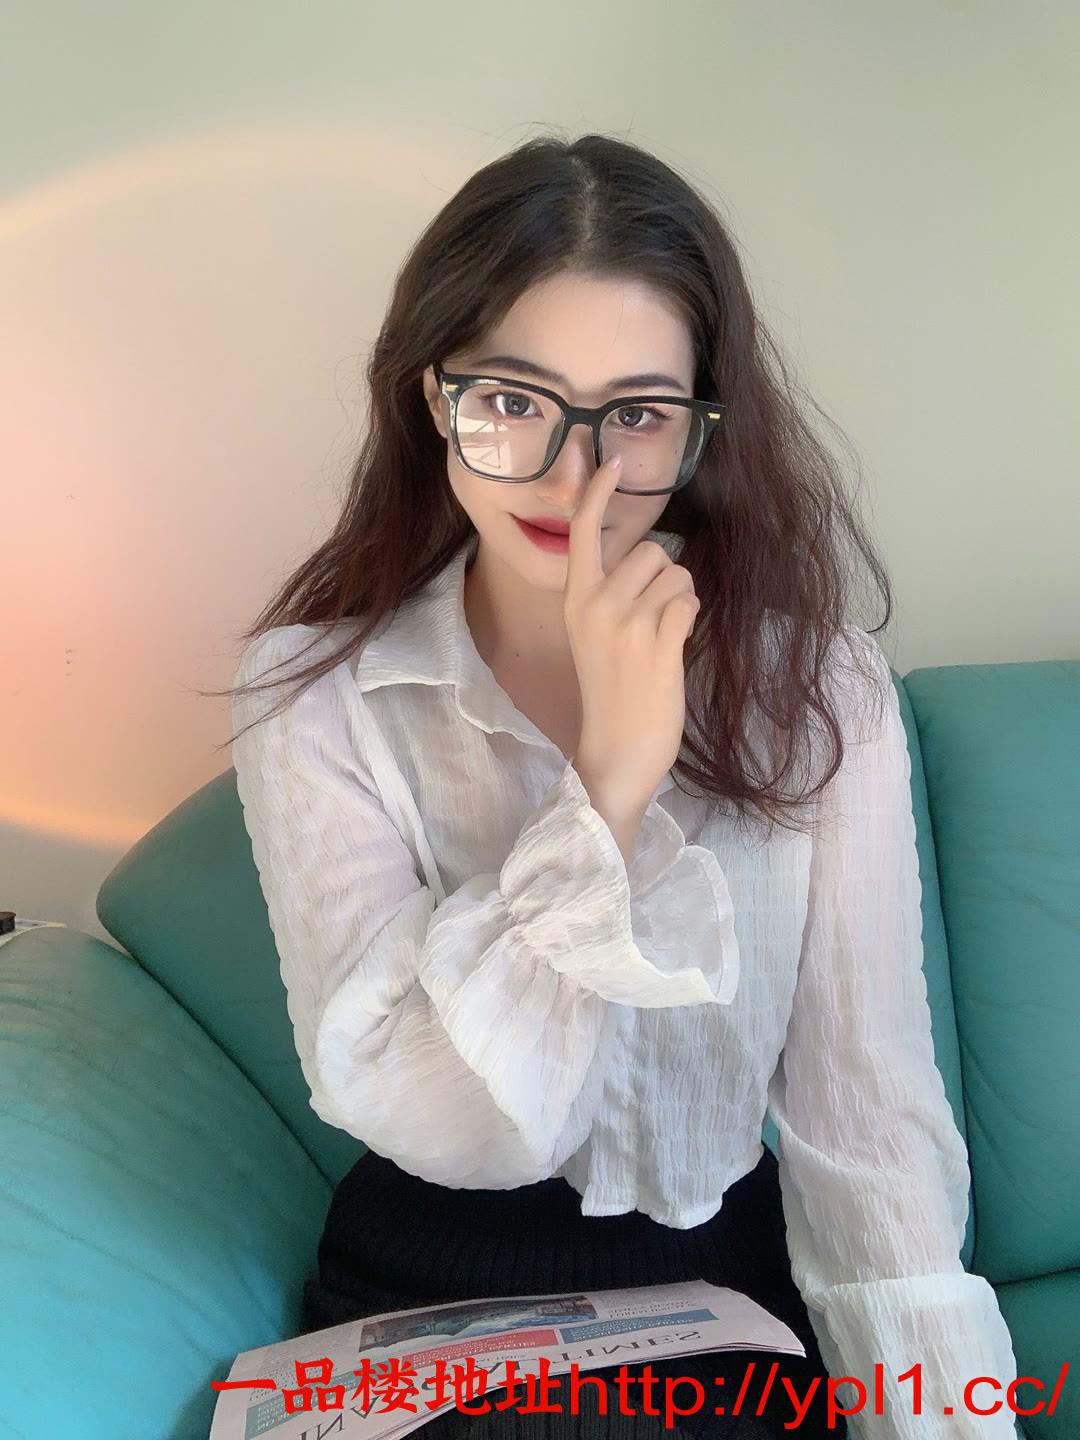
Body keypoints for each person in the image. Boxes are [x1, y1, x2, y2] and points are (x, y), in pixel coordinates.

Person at [216, 133, 1021, 1437]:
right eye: (513, 399)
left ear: (704, 427)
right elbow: (444, 1124)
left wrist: (942, 1420)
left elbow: (866, 1120)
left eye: (637, 414)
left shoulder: (819, 689)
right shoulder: (317, 692)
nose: (570, 475)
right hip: (429, 1284)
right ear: (433, 401)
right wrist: (607, 788)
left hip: (725, 1293)